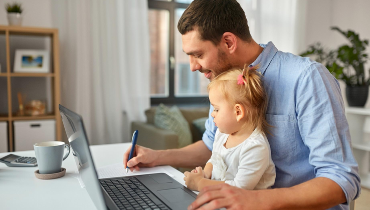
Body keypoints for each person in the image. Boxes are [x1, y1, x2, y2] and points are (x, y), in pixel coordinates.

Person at [123, 0, 361, 209]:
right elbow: (211, 145)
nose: (193, 66)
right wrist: (156, 157)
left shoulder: (307, 78)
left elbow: (341, 179)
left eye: (197, 54)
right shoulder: (224, 80)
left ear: (228, 42)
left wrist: (254, 200)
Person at [183, 66, 276, 192]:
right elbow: (214, 160)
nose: (212, 114)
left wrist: (200, 183)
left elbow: (239, 188)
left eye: (216, 109)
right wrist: (204, 174)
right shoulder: (222, 135)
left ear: (238, 112)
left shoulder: (255, 147)